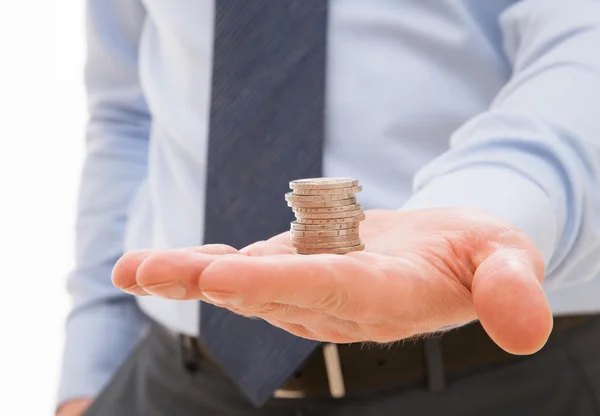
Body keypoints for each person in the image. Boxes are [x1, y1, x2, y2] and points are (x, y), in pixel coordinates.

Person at [57, 1, 600, 415]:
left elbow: (584, 46)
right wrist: (91, 369)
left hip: (496, 377)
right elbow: (127, 114)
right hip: (170, 377)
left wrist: (494, 208)